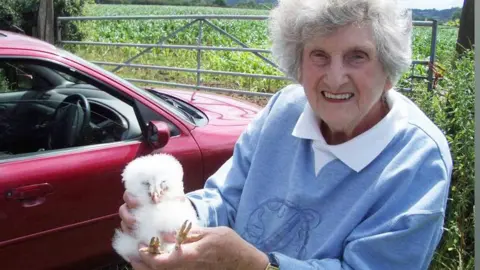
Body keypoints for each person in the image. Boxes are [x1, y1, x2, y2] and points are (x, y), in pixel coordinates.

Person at [118, 0, 453, 269]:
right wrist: (176, 214)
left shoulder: (418, 161)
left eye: (357, 56)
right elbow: (226, 196)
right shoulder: (284, 108)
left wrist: (256, 266)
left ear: (389, 70)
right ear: (299, 63)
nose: (335, 79)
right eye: (319, 55)